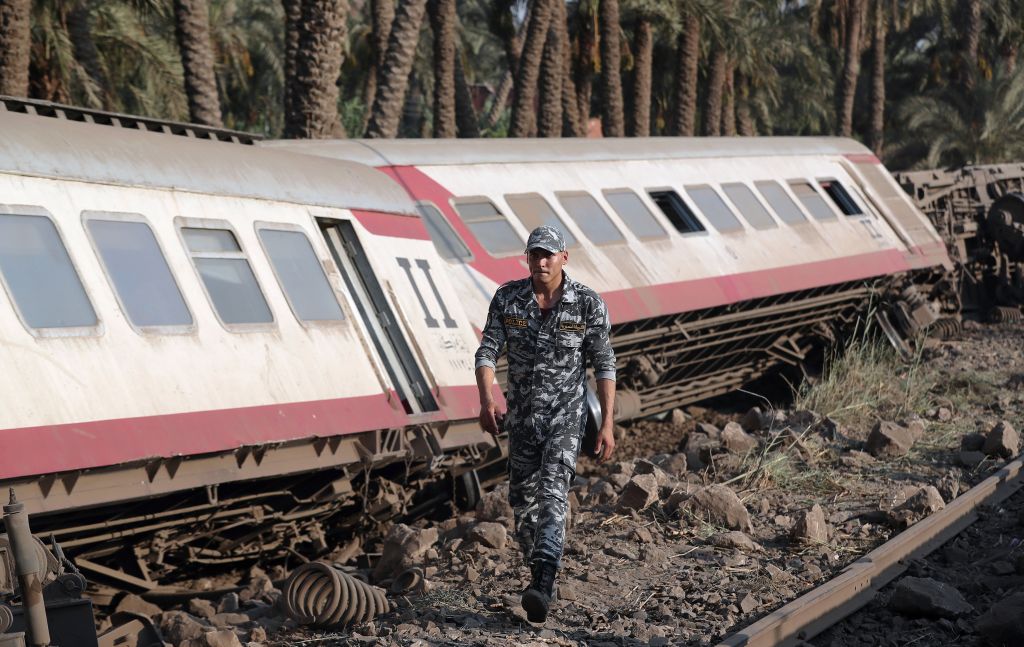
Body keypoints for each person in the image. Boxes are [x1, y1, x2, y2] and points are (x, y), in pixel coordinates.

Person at [474, 225, 617, 623]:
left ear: (563, 258)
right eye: (535, 255)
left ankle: (544, 577)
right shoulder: (508, 298)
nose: (541, 261)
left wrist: (607, 424)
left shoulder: (587, 304)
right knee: (522, 502)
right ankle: (540, 573)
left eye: (549, 255)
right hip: (520, 421)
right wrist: (488, 401)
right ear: (527, 258)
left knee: (554, 490)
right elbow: (487, 351)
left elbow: (605, 364)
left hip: (565, 417)